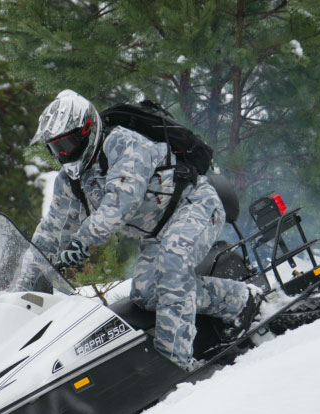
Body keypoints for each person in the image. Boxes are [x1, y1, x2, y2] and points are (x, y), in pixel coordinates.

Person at [28, 90, 265, 371]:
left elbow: (119, 204)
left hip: (195, 206)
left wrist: (82, 242)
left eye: (67, 143)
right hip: (157, 233)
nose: (64, 154)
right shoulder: (70, 181)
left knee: (173, 264)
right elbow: (51, 230)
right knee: (146, 294)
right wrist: (25, 278)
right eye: (56, 148)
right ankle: (241, 300)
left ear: (87, 129)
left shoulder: (124, 144)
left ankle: (175, 364)